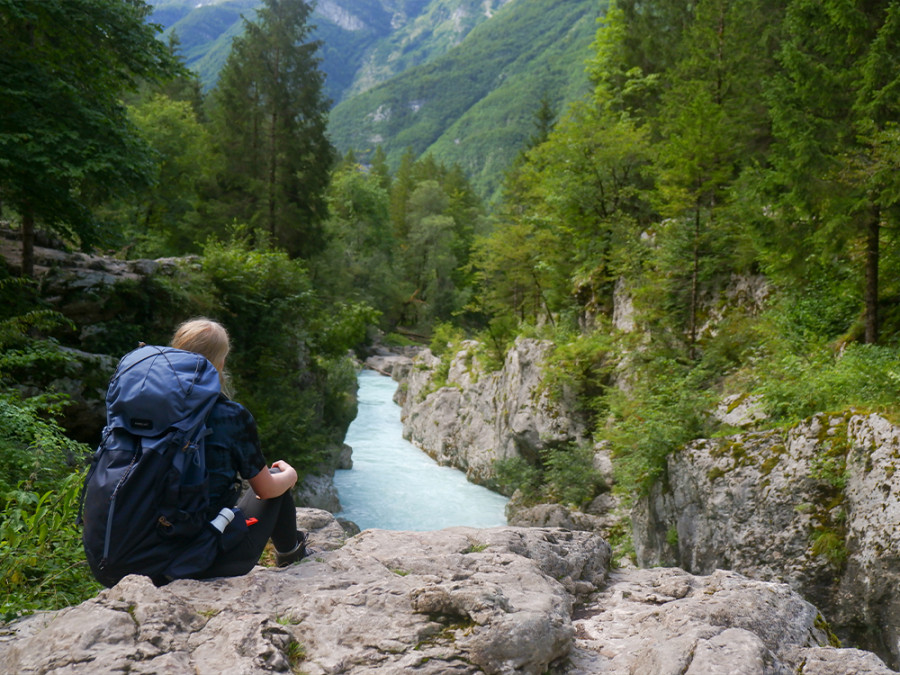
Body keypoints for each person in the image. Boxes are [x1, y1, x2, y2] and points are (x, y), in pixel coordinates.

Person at [170, 317, 311, 577]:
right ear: (220, 363)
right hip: (208, 557)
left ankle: (292, 552)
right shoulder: (229, 415)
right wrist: (291, 476)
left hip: (147, 550)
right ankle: (292, 555)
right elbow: (266, 490)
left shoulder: (147, 408)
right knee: (277, 477)